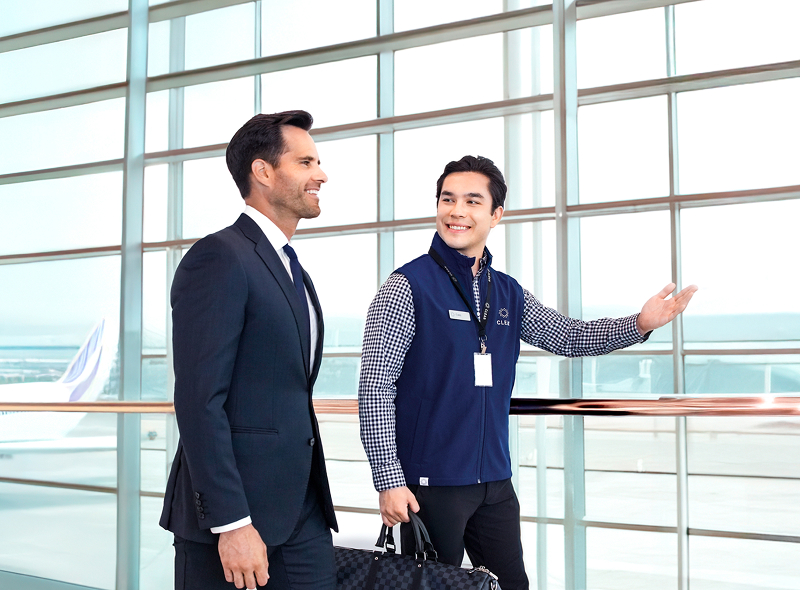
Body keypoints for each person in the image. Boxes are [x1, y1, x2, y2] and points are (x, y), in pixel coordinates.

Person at [358, 155, 697, 590]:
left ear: (496, 215)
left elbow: (570, 337)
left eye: (472, 201)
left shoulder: (507, 293)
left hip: (495, 481)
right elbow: (374, 387)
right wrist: (389, 480)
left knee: (513, 584)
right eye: (448, 199)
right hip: (430, 485)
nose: (456, 211)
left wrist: (640, 324)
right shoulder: (405, 287)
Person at [160, 110, 338, 590]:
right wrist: (232, 523)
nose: (321, 173)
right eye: (305, 162)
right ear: (263, 172)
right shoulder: (219, 257)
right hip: (236, 522)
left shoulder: (290, 267)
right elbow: (200, 400)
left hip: (301, 512)